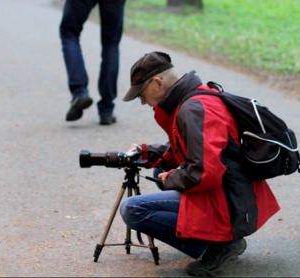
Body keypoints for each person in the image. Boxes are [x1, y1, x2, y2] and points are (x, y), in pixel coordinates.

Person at [119, 51, 280, 276]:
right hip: (232, 193)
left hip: (229, 202)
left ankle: (219, 246)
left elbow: (206, 172)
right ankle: (214, 238)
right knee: (160, 170)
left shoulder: (193, 109)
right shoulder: (195, 98)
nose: (143, 101)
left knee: (133, 209)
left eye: (141, 95)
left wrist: (171, 178)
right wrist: (146, 153)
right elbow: (188, 147)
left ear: (157, 83)